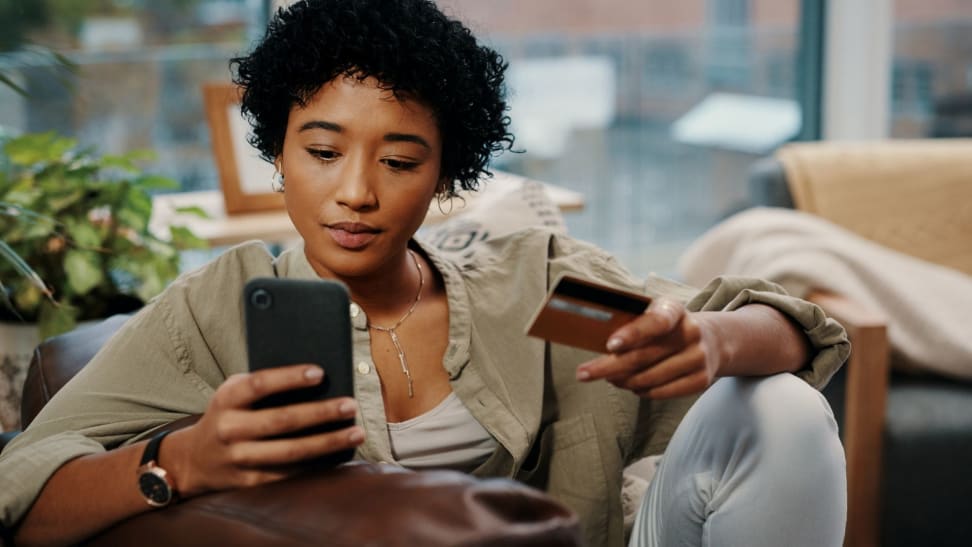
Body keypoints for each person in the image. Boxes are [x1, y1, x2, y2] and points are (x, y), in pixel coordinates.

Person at [0, 1, 850, 546]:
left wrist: (707, 339)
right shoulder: (217, 311)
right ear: (280, 156)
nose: (356, 193)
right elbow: (21, 486)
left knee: (778, 403)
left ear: (442, 177)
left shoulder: (531, 293)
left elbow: (785, 327)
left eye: (400, 160)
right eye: (323, 151)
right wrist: (182, 459)